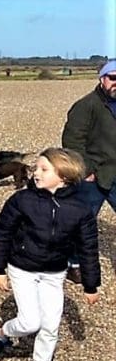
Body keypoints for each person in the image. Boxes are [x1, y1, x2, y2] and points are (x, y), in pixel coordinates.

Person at [0, 148, 101, 361]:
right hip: (23, 268)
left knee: (50, 325)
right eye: (36, 168)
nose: (35, 172)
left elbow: (88, 247)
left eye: (43, 169)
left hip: (54, 273)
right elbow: (2, 232)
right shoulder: (22, 200)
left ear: (64, 176)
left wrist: (90, 285)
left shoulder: (80, 209)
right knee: (30, 321)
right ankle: (1, 332)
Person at [61, 59, 116, 282]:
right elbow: (72, 140)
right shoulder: (86, 105)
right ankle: (74, 263)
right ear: (102, 79)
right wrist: (86, 170)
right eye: (112, 78)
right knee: (82, 221)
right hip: (93, 175)